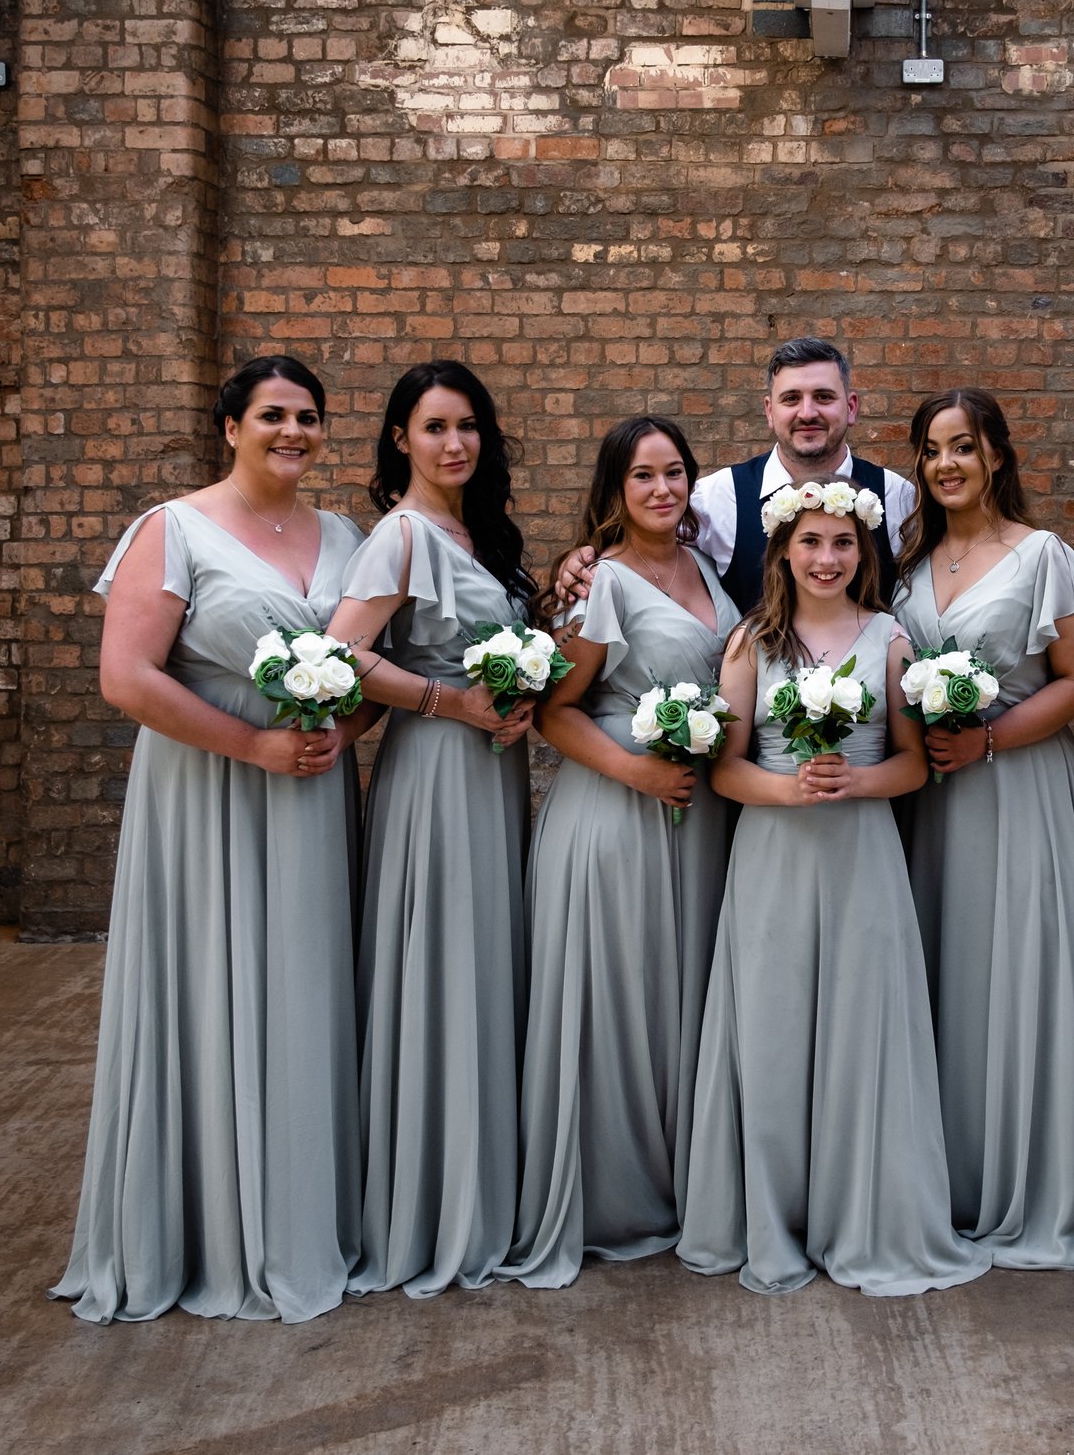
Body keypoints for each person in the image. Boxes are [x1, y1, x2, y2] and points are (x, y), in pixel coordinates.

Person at [52, 355, 364, 1324]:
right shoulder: (172, 528)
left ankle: (305, 1207)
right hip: (208, 792)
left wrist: (346, 727)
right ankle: (208, 1225)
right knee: (209, 982)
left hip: (312, 792)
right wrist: (253, 745)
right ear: (230, 426)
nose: (293, 431)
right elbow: (127, 676)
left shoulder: (346, 534)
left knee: (305, 984)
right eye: (272, 414)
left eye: (307, 416)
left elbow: (367, 664)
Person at [677, 477, 987, 1296]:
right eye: (810, 541)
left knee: (862, 1030)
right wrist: (788, 790)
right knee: (773, 1035)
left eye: (843, 542)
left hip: (862, 855)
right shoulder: (752, 641)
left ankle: (863, 1211)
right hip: (774, 855)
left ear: (864, 552)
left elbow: (914, 764)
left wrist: (857, 782)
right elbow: (726, 769)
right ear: (783, 550)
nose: (827, 557)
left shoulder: (890, 639)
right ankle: (775, 1217)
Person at [502, 416, 742, 1288]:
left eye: (675, 471)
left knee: (681, 995)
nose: (662, 488)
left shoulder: (707, 568)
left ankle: (683, 1183)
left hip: (699, 818)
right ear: (615, 487)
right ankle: (612, 1195)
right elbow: (555, 711)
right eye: (643, 475)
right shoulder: (600, 581)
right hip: (615, 814)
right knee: (620, 1002)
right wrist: (637, 771)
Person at [323, 359, 540, 1299]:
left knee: (485, 962)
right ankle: (434, 1199)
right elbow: (340, 654)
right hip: (436, 774)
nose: (455, 443)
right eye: (436, 427)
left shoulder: (479, 534)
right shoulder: (403, 535)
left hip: (491, 771)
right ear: (400, 440)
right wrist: (453, 703)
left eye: (468, 425)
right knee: (443, 967)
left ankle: (486, 1175)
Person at [894, 389, 1074, 1269]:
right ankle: (944, 1178)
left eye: (963, 446)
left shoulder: (1042, 555)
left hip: (1017, 786)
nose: (947, 464)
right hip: (931, 801)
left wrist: (987, 738)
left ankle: (1024, 1177)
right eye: (932, 449)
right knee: (941, 972)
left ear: (997, 456)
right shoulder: (905, 566)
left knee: (1016, 971)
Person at [552, 338, 917, 614]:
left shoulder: (897, 496)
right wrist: (584, 558)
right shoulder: (715, 497)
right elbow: (643, 547)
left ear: (850, 407)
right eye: (791, 399)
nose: (807, 413)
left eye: (823, 397)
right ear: (769, 411)